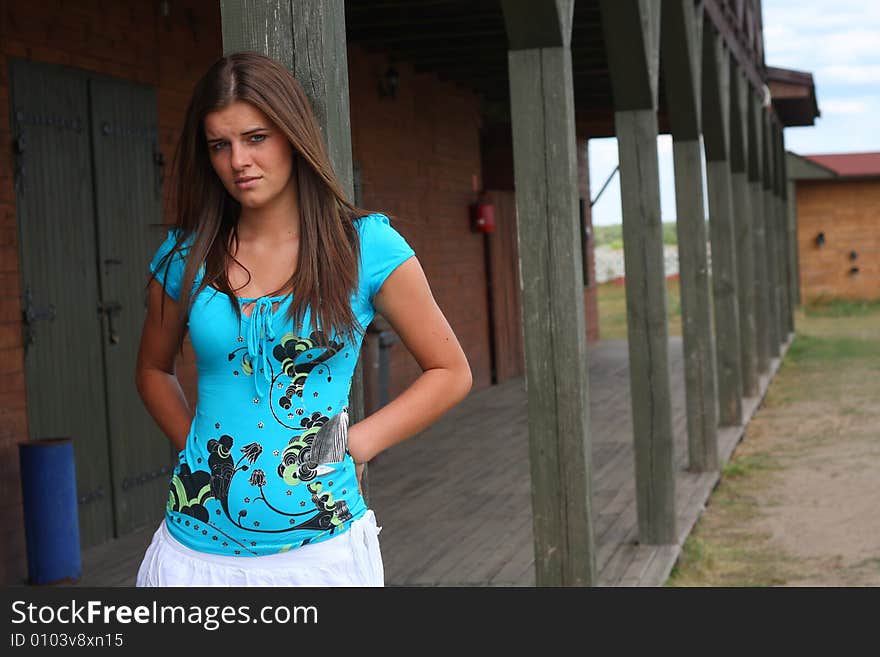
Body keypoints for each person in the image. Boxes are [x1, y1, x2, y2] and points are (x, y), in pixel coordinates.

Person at [134, 52, 472, 587]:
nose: (238, 160)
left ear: (292, 136)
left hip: (320, 556)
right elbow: (152, 370)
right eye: (219, 144)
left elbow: (450, 371)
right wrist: (194, 449)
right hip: (193, 559)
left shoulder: (364, 247)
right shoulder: (184, 257)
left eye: (256, 138)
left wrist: (354, 443)